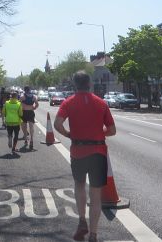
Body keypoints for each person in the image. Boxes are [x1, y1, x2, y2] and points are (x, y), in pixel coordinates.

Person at [54, 71, 116, 242]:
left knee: (79, 185)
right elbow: (112, 130)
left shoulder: (68, 102)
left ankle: (82, 220)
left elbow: (57, 124)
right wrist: (98, 133)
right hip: (98, 152)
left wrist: (68, 134)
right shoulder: (101, 103)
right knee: (96, 195)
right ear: (89, 84)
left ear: (75, 85)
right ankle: (94, 235)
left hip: (78, 151)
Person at [20, 86, 39, 150]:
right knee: (31, 127)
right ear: (30, 90)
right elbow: (37, 104)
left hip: (24, 112)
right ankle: (31, 140)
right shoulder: (33, 97)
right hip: (31, 112)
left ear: (24, 90)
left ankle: (25, 139)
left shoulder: (22, 97)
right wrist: (34, 107)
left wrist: (22, 107)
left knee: (24, 127)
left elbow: (18, 104)